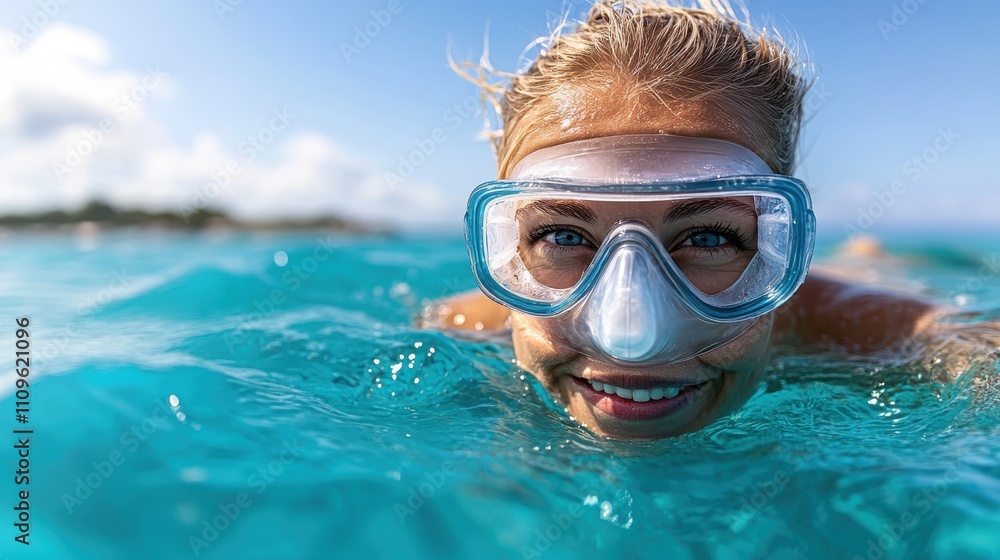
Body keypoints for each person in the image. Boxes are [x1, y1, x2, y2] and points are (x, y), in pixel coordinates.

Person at [425, 0, 999, 439]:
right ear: (507, 251)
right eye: (563, 236)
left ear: (778, 244)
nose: (632, 337)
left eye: (708, 237)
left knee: (868, 261)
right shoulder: (458, 324)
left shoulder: (871, 332)